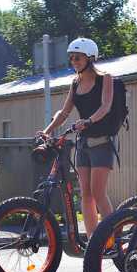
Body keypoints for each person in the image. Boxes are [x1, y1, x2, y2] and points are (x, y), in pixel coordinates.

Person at [38, 38, 116, 239]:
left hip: (102, 142)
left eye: (78, 57)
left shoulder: (105, 78)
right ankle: (93, 240)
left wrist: (89, 121)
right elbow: (64, 112)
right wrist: (47, 130)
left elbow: (106, 106)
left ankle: (112, 237)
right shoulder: (76, 82)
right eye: (71, 58)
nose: (73, 61)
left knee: (98, 192)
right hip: (83, 144)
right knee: (86, 194)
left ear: (90, 58)